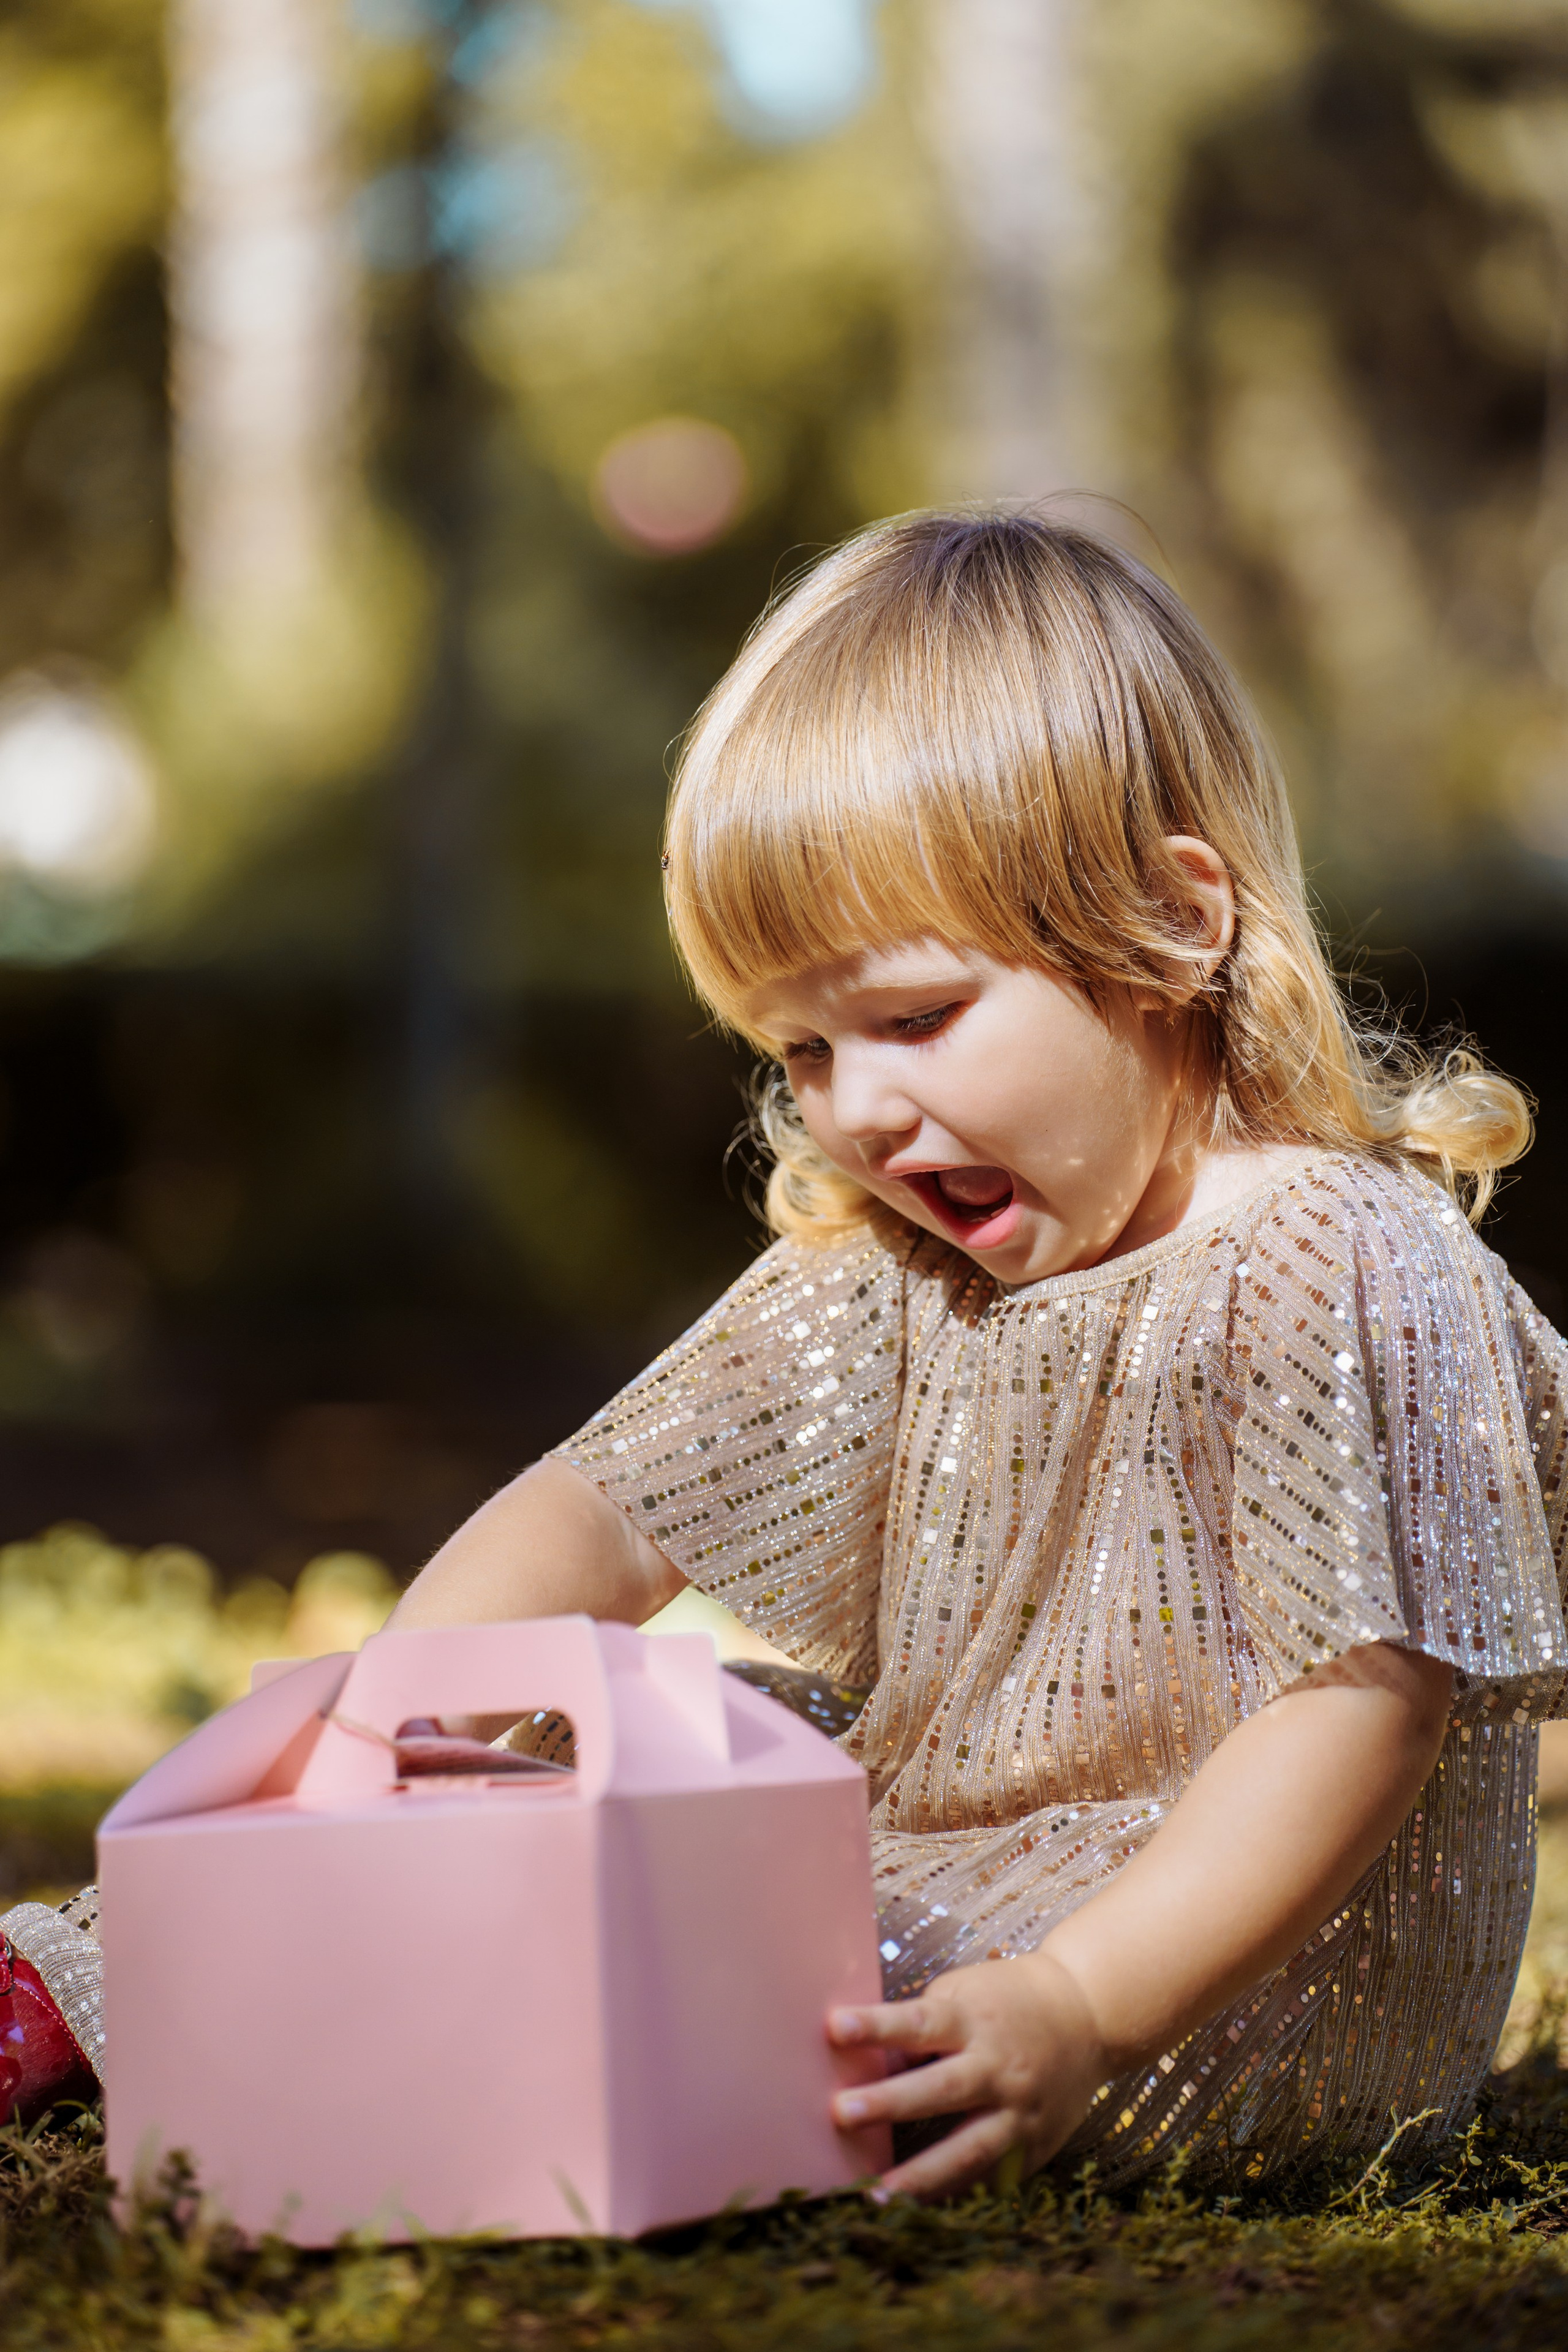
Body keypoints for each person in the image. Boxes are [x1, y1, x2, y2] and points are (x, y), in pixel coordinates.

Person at [9, 512, 1566, 2201]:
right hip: (933, 1856)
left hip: (1221, 1978)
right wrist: (378, 1735)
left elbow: (1362, 1715)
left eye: (914, 1018)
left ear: (1175, 929)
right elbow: (605, 1512)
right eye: (801, 1046)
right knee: (552, 1758)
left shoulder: (1339, 1262)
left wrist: (1078, 2006)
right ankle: (122, 1981)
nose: (860, 1108)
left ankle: (447, 2021)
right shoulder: (904, 1261)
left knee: (723, 1924)